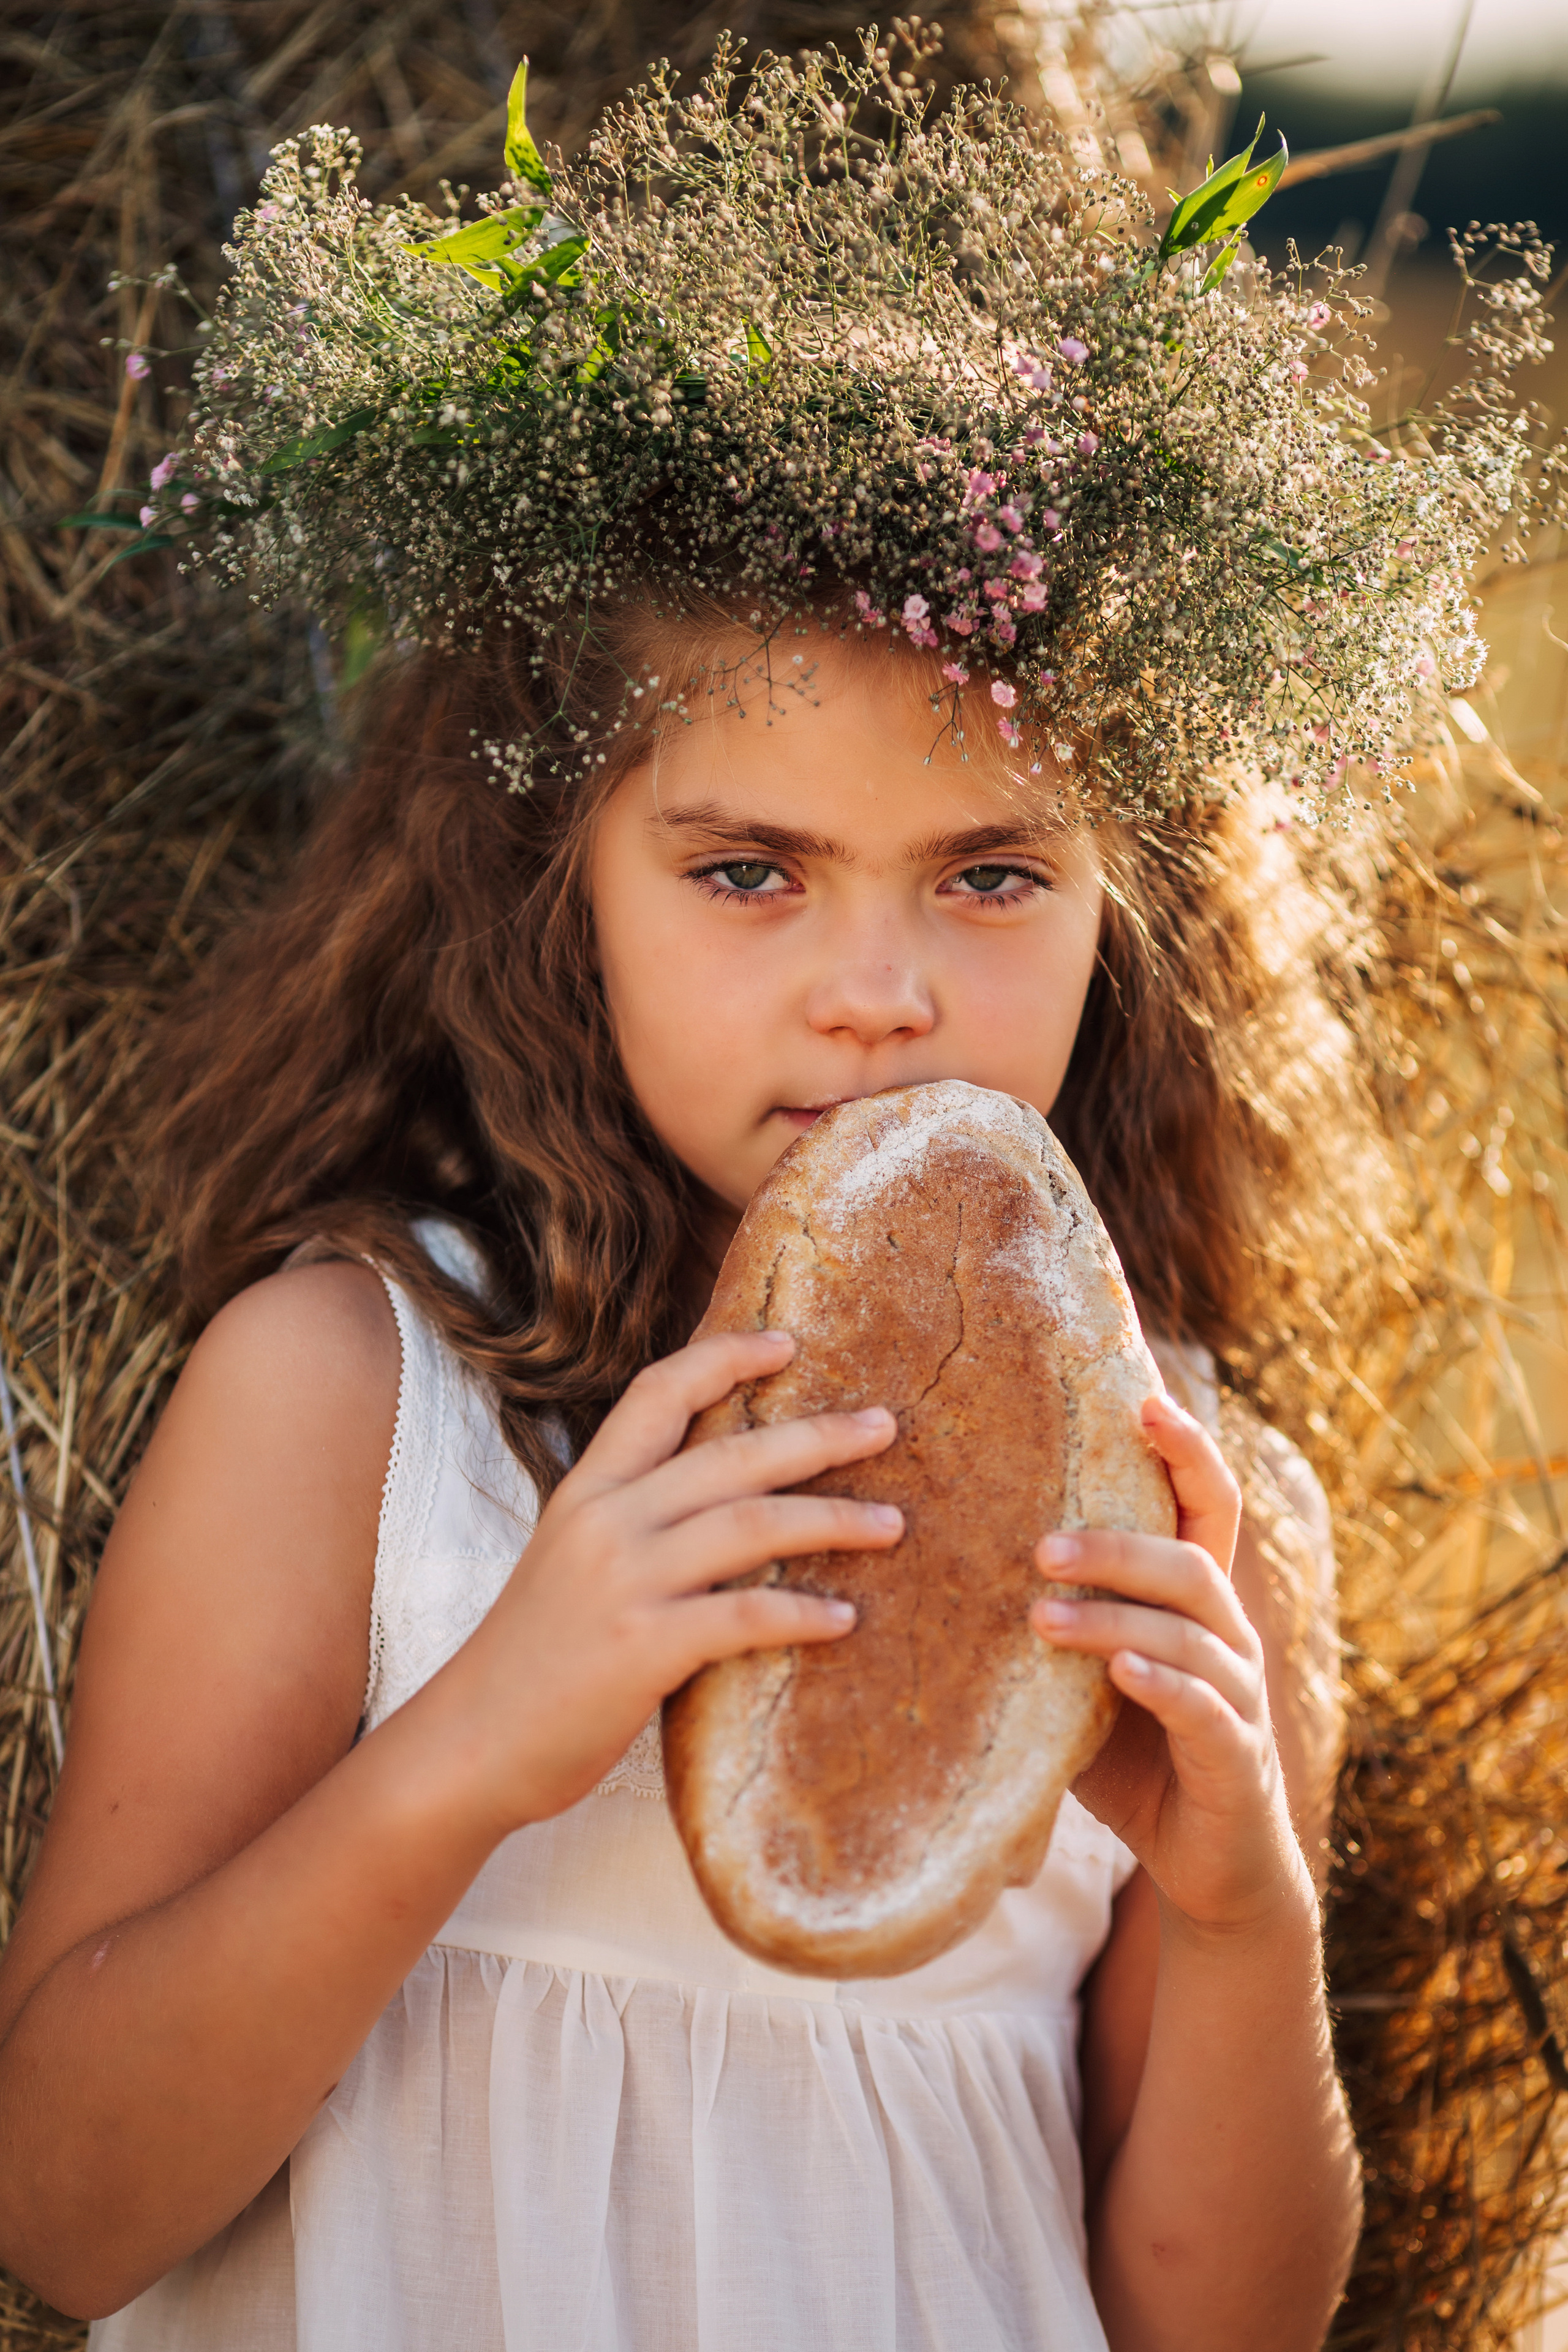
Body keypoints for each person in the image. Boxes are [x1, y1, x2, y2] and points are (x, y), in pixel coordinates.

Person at [1, 31, 1538, 2352]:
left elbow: (1212, 2326)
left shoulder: (1192, 1506)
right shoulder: (355, 1401)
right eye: (747, 871)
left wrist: (1237, 1914)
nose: (880, 993)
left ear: (1127, 901)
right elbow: (64, 2203)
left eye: (995, 876)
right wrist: (490, 1736)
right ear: (557, 881)